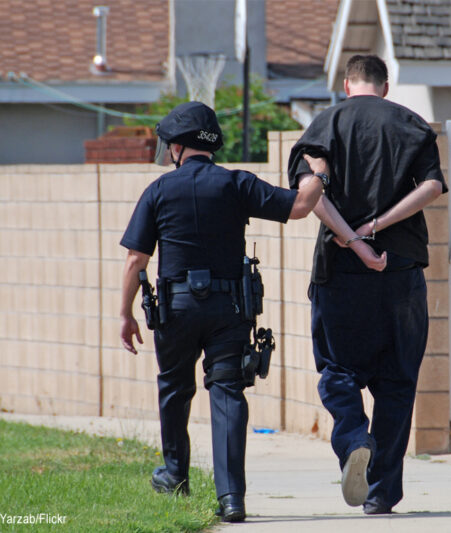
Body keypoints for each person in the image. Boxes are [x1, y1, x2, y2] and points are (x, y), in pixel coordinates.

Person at [119, 101, 328, 522]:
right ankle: (232, 498)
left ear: (177, 147)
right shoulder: (236, 183)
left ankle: (175, 476)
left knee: (175, 390)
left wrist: (124, 314)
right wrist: (319, 169)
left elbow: (135, 261)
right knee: (228, 394)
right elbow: (302, 205)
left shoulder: (158, 191)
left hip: (175, 311)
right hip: (229, 309)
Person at [287, 54, 447, 514]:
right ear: (385, 85)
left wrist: (354, 241)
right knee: (397, 383)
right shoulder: (412, 125)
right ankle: (380, 494)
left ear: (346, 83)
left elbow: (309, 194)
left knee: (337, 370)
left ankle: (356, 438)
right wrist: (377, 226)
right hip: (400, 270)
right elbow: (432, 188)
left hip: (340, 273)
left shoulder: (325, 125)